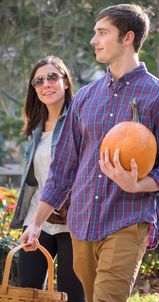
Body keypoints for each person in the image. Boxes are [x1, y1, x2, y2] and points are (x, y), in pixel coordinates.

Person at [20, 4, 159, 302]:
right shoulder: (85, 97)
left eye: (102, 33)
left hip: (128, 218)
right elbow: (63, 169)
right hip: (82, 223)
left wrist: (137, 184)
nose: (93, 40)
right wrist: (35, 224)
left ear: (127, 38)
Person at [10, 56, 85, 302]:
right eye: (38, 81)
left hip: (72, 222)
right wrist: (32, 222)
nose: (46, 84)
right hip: (37, 219)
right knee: (29, 293)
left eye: (52, 77)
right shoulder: (35, 129)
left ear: (65, 81)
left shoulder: (80, 120)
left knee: (71, 294)